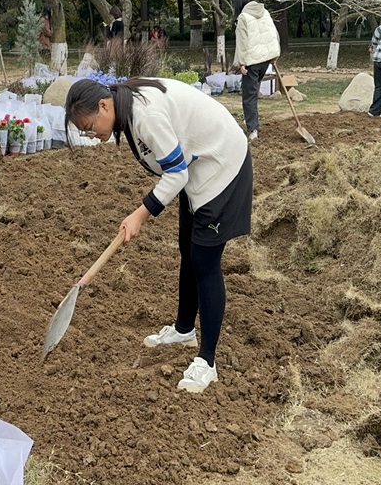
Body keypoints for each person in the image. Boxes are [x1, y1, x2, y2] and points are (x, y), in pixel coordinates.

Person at [64, 77, 252, 393]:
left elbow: (176, 173)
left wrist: (140, 213)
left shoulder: (144, 114)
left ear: (104, 106)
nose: (92, 135)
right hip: (198, 171)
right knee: (188, 250)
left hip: (223, 167)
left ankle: (207, 362)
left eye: (89, 127)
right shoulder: (125, 107)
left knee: (204, 262)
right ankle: (184, 329)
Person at [232, 0, 280, 141]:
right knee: (253, 92)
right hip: (265, 60)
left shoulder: (243, 17)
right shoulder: (265, 12)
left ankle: (253, 129)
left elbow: (242, 42)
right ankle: (253, 122)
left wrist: (241, 63)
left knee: (249, 96)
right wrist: (275, 55)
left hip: (252, 62)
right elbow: (274, 34)